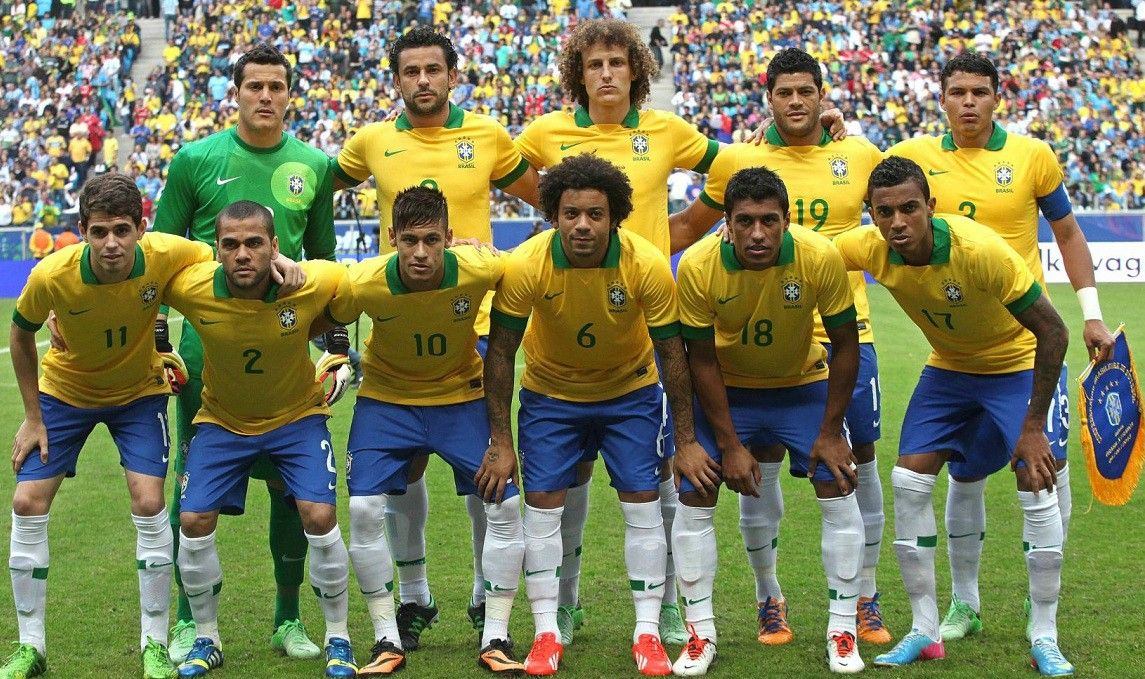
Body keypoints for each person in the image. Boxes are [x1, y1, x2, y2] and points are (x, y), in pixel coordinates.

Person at [887, 52, 1113, 643]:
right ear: (941, 97)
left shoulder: (1032, 156)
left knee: (1047, 470)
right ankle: (964, 604)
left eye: (979, 92)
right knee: (964, 475)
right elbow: (863, 185)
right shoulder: (915, 157)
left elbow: (1068, 232)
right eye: (957, 91)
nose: (968, 102)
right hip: (956, 353)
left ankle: (1044, 610)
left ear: (996, 97)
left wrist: (1091, 313)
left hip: (1025, 345)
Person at [669, 48, 891, 647]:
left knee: (856, 461)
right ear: (768, 98)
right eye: (784, 92)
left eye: (806, 92)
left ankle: (865, 596)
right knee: (757, 462)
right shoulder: (740, 160)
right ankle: (770, 596)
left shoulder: (859, 153)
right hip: (752, 335)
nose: (796, 102)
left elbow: (902, 209)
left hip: (844, 331)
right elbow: (691, 227)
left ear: (822, 95)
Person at [513, 18, 722, 645]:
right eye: (594, 65)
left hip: (645, 320)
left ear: (636, 71)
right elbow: (505, 173)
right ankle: (566, 603)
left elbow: (730, 170)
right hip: (569, 313)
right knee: (567, 483)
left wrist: (682, 231)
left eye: (617, 63)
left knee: (658, 481)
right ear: (579, 75)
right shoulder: (546, 132)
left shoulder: (667, 130)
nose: (606, 74)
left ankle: (662, 606)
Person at [332, 26, 541, 651]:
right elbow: (317, 191)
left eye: (433, 70)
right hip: (399, 318)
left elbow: (547, 197)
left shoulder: (488, 136)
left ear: (453, 74)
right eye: (410, 71)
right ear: (396, 79)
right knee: (406, 468)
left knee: (482, 476)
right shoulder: (371, 141)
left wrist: (488, 253)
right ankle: (415, 595)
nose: (422, 80)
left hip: (475, 322)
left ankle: (481, 594)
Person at [835, 157, 1072, 676]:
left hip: (1016, 364)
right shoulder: (870, 247)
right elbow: (809, 252)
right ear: (871, 214)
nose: (897, 222)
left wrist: (1032, 428)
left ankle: (1044, 634)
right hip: (951, 368)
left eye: (909, 208)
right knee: (908, 481)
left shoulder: (979, 250)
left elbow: (1054, 332)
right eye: (884, 212)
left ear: (931, 207)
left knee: (1037, 481)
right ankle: (925, 630)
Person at [152, 43, 338, 663]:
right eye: (254, 86)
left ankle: (288, 618)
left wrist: (336, 348)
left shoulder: (315, 165)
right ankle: (188, 621)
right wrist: (156, 343)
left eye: (275, 86)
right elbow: (157, 260)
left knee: (292, 489)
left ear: (289, 95)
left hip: (286, 348)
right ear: (235, 94)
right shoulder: (195, 161)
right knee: (191, 489)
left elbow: (325, 267)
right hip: (207, 354)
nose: (265, 96)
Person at [483, 154, 703, 676]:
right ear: (553, 216)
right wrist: (500, 441)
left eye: (595, 214)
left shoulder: (646, 263)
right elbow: (500, 353)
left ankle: (647, 633)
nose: (582, 225)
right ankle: (545, 633)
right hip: (551, 398)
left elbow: (673, 354)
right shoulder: (527, 263)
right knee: (542, 508)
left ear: (615, 216)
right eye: (571, 213)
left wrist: (687, 439)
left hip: (630, 395)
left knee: (643, 504)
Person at [6, 173, 213, 679]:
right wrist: (32, 417)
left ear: (141, 227)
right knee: (26, 502)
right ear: (82, 231)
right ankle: (30, 647)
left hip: (137, 393)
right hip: (65, 393)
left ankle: (154, 645)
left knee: (149, 501)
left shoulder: (167, 253)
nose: (111, 243)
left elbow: (213, 257)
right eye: (98, 232)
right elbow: (20, 334)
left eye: (122, 230)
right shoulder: (52, 275)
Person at [325, 186, 526, 676]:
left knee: (504, 502)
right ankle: (386, 637)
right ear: (391, 237)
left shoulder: (479, 267)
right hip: (387, 401)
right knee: (363, 509)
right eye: (409, 240)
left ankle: (496, 633)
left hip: (459, 397)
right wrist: (335, 355)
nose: (420, 252)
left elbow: (523, 271)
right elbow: (322, 310)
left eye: (432, 240)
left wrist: (485, 249)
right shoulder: (364, 281)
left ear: (449, 239)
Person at [674, 167, 864, 675]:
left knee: (839, 480)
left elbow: (847, 344)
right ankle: (699, 634)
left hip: (801, 387)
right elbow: (700, 359)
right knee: (695, 489)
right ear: (727, 223)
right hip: (728, 392)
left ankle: (843, 630)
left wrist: (831, 431)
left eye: (769, 221)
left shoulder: (819, 255)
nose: (757, 233)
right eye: (745, 222)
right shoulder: (698, 265)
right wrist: (730, 445)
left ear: (786, 220)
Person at [162, 200, 357, 679]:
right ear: (216, 249)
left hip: (296, 420)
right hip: (222, 422)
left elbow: (353, 285)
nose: (243, 254)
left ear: (275, 246)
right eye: (230, 245)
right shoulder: (193, 286)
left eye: (254, 243)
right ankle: (206, 637)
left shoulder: (308, 281)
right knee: (192, 518)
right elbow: (137, 279)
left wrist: (338, 350)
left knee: (319, 515)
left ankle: (339, 638)